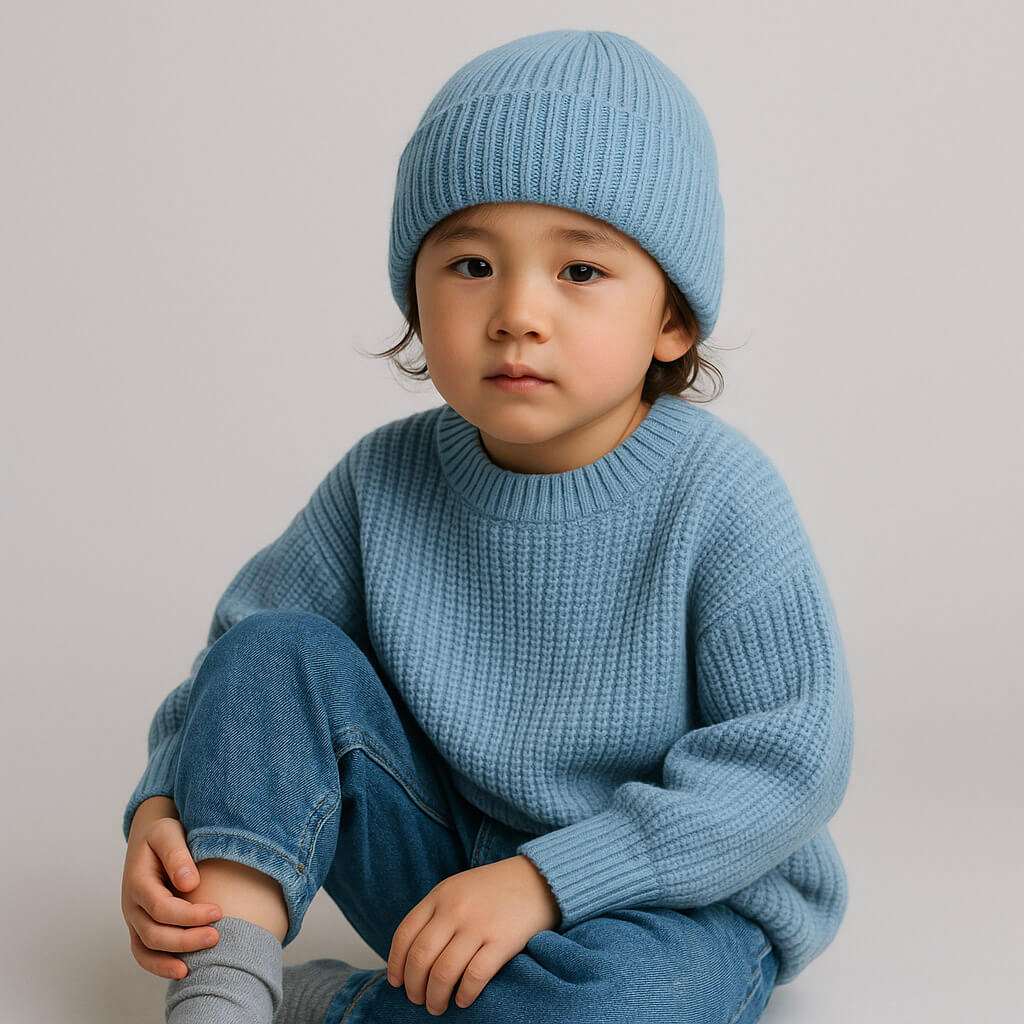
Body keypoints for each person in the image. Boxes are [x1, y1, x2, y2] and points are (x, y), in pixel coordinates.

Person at [119, 28, 854, 1024]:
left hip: (673, 900)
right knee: (272, 646)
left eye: (579, 273)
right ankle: (227, 991)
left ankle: (342, 1009)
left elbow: (786, 763)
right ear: (414, 296)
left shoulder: (718, 495)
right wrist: (167, 797)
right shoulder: (383, 478)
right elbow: (244, 674)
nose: (516, 312)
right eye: (470, 263)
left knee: (622, 1002)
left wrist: (549, 880)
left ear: (671, 321)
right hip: (445, 882)